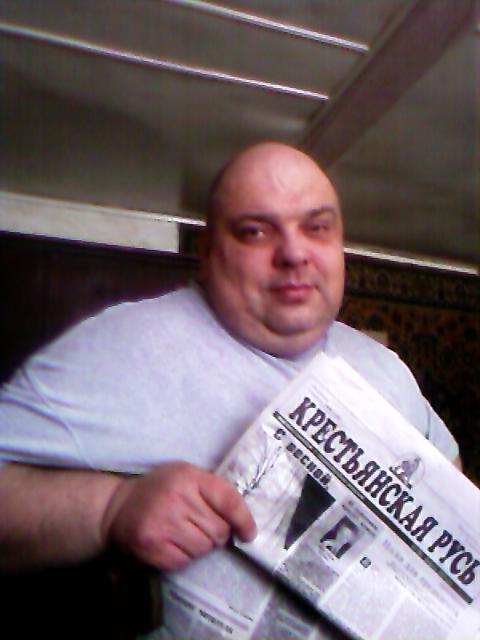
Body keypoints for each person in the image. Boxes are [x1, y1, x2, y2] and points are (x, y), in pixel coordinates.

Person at [0, 142, 461, 635]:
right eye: (255, 231)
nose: (294, 253)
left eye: (317, 227)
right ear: (206, 252)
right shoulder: (121, 345)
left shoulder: (385, 367)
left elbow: (452, 487)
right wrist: (109, 508)